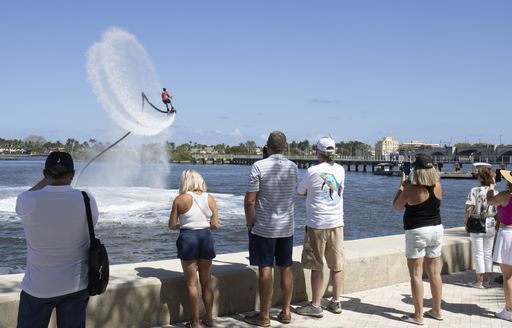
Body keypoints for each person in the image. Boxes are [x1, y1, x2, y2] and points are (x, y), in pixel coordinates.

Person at [15, 151, 99, 328]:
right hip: (76, 285)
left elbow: (26, 199)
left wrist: (47, 181)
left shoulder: (27, 200)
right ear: (72, 174)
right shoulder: (87, 199)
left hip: (38, 287)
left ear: (45, 174)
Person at [243, 131, 298, 327]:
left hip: (265, 227)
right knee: (286, 267)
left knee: (265, 267)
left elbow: (250, 201)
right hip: (287, 226)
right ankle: (286, 311)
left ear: (267, 146)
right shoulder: (293, 167)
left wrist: (250, 223)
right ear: (285, 147)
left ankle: (264, 316)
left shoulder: (258, 166)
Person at [295, 137, 345, 318]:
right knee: (337, 265)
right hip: (337, 223)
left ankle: (316, 305)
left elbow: (301, 192)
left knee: (317, 266)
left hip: (317, 224)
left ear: (319, 153)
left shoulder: (312, 171)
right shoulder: (340, 169)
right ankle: (336, 302)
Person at [393, 154, 443, 325]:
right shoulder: (437, 186)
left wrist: (401, 187)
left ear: (416, 170)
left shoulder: (411, 190)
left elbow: (396, 207)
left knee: (416, 274)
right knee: (435, 272)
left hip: (417, 231)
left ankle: (418, 314)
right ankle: (436, 310)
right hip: (436, 229)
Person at [168, 169, 219, 328]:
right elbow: (215, 225)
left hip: (188, 238)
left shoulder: (180, 199)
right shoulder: (210, 198)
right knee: (206, 282)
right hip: (205, 238)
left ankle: (195, 322)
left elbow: (171, 225)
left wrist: (183, 224)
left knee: (192, 284)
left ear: (185, 182)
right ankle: (209, 318)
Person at [465, 165, 498, 288]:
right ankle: (487, 281)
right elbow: (498, 211)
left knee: (478, 253)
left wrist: (466, 222)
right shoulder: (495, 192)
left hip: (477, 222)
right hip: (491, 222)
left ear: (480, 177)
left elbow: (468, 208)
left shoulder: (475, 190)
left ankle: (478, 281)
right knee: (488, 253)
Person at [487, 169, 512, 321]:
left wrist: (491, 186)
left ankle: (509, 311)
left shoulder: (505, 196)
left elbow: (490, 201)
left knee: (507, 276)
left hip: (507, 235)